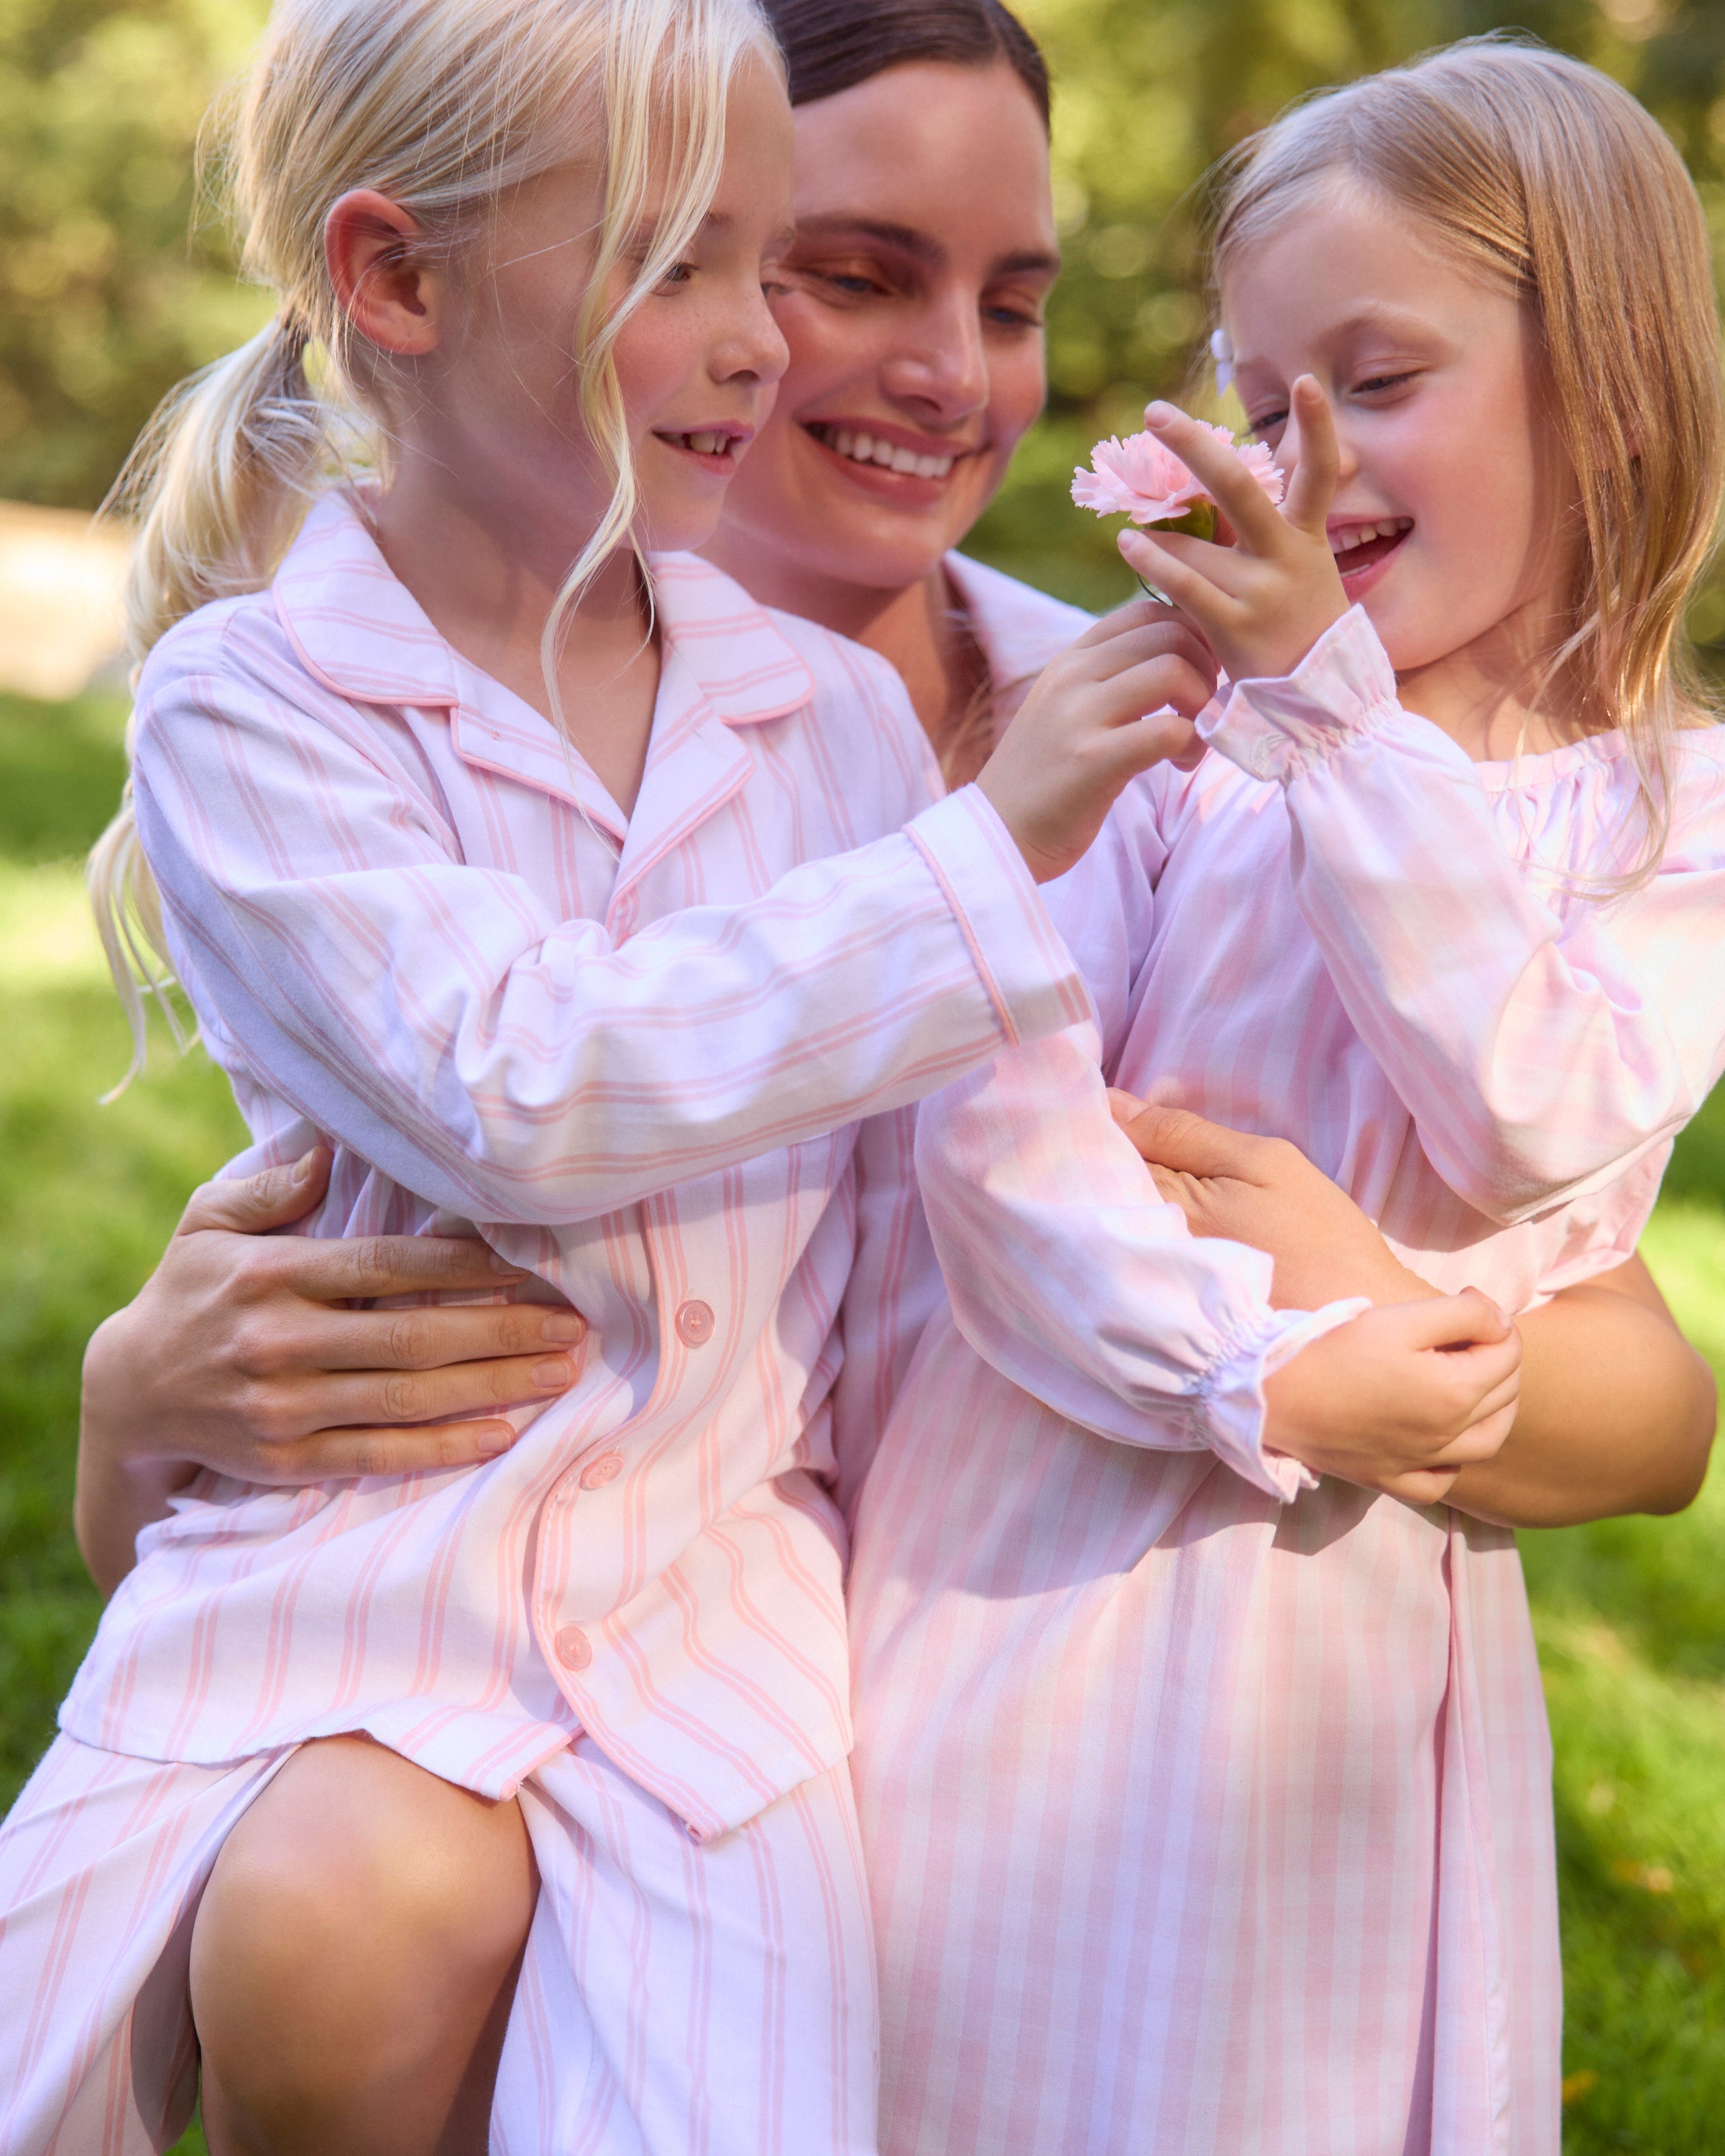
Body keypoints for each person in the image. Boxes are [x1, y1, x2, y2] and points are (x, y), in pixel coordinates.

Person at [0, 3, 1511, 2153]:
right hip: (355, 1599)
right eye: (691, 267)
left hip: (721, 1651)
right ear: (395, 280)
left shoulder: (832, 719)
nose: (758, 343)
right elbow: (512, 1080)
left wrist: (1243, 1369)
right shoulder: (254, 704)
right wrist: (985, 862)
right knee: (251, 1977)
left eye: (762, 261)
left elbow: (1020, 1163)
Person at [847, 36, 1725, 2155]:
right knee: (932, 2060)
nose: (1300, 453)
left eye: (1381, 378)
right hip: (1029, 1527)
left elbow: (1540, 1109)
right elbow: (1004, 1100)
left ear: (1604, 387)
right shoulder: (1199, 763)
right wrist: (1265, 1340)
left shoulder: (1671, 819)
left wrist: (1335, 722)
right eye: (1255, 402)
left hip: (1320, 1613)